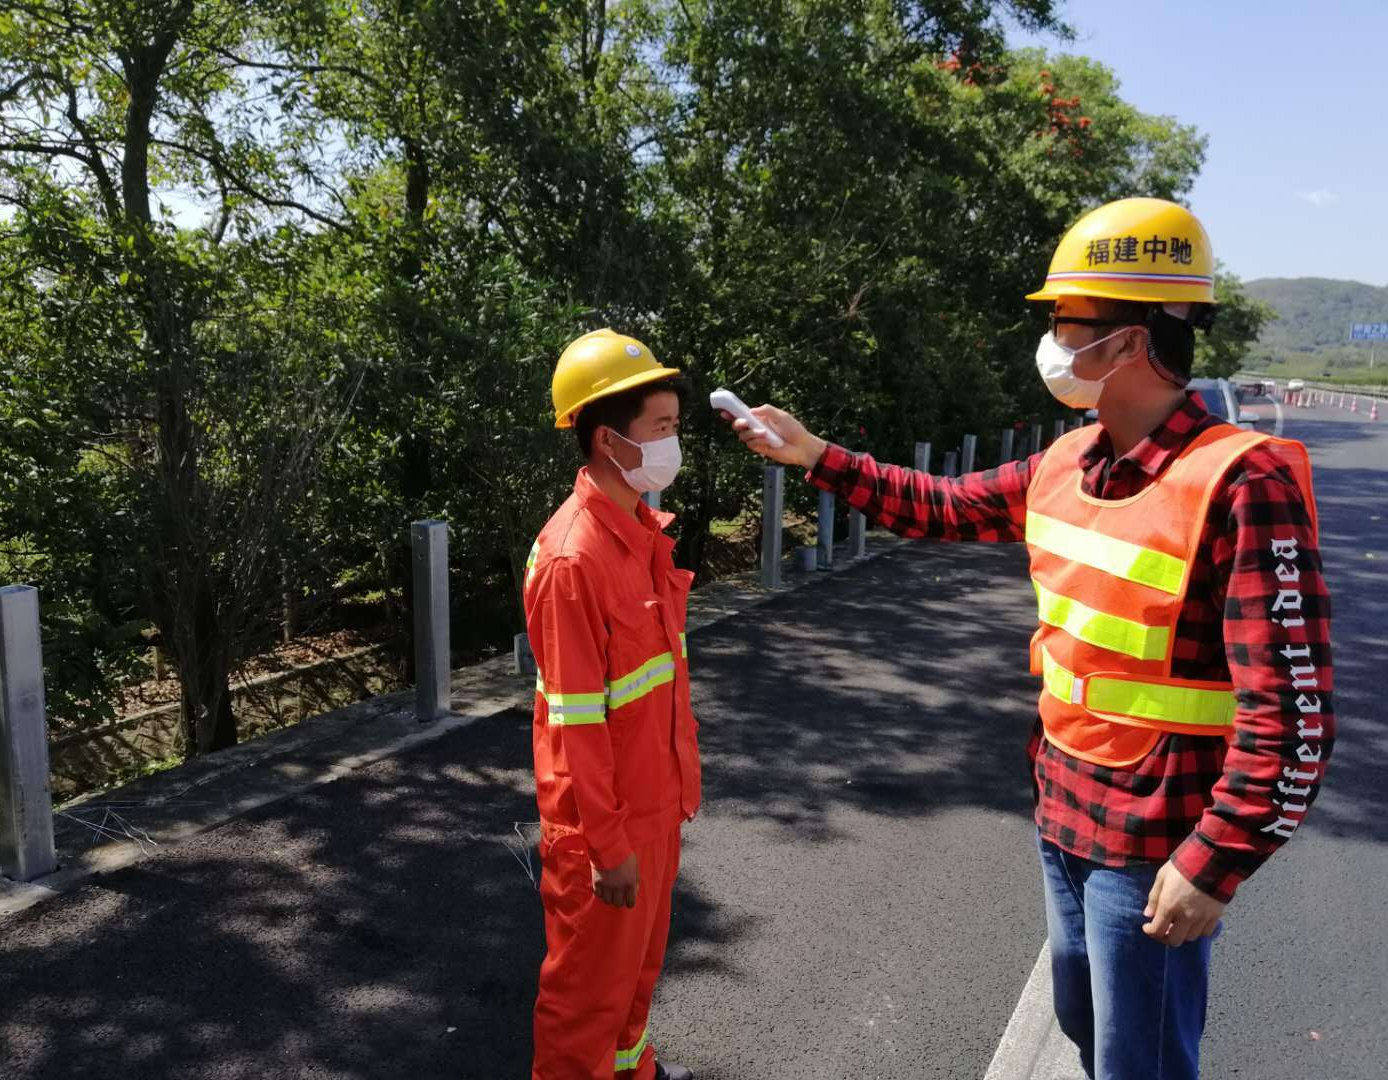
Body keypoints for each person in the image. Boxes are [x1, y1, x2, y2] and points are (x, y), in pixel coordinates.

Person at [725, 199, 1334, 1080]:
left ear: (1127, 343)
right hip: (1064, 809)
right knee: (1088, 1035)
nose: (1051, 341)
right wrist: (816, 454)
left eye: (1065, 321)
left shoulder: (1242, 479)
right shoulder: (1067, 460)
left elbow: (1295, 714)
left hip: (1158, 836)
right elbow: (942, 506)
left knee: (1144, 1064)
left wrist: (1215, 860)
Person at [525, 328, 699, 1080]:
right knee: (584, 999)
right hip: (608, 824)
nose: (673, 443)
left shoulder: (637, 533)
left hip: (654, 804)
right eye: (661, 428)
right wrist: (608, 845)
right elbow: (575, 722)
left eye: (674, 428)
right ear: (607, 438)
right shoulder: (573, 558)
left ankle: (635, 1071)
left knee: (636, 977)